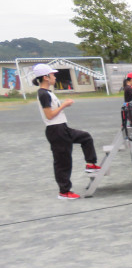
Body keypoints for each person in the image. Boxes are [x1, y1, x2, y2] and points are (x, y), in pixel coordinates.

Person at [33, 63, 101, 199]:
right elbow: (49, 115)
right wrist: (64, 105)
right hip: (55, 129)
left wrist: (62, 105)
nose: (54, 77)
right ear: (46, 77)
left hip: (61, 127)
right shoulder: (43, 94)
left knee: (85, 137)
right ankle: (64, 191)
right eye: (52, 75)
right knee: (63, 161)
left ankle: (90, 163)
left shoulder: (47, 93)